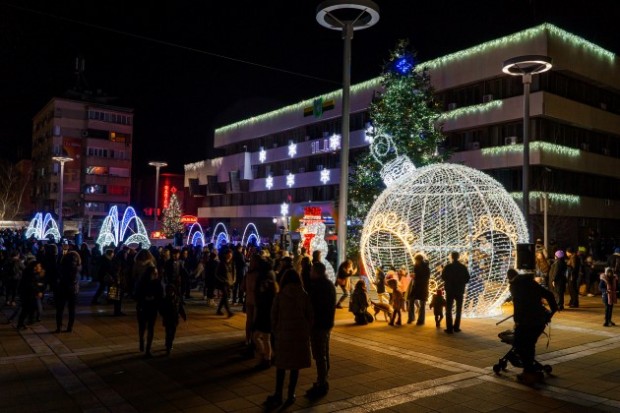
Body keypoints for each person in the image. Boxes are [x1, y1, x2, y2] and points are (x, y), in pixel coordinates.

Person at [265, 269, 312, 408]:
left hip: (283, 335)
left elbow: (273, 315)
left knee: (281, 365)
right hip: (299, 336)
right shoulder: (304, 295)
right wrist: (306, 330)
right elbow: (310, 316)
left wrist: (276, 330)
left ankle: (278, 394)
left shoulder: (280, 296)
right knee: (294, 367)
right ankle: (291, 394)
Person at [507, 268, 557, 385]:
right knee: (529, 346)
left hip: (526, 322)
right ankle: (529, 371)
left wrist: (518, 320)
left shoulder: (515, 286)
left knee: (519, 345)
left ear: (510, 278)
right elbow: (549, 294)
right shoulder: (530, 283)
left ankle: (530, 372)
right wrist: (552, 311)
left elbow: (520, 305)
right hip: (538, 321)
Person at [305, 261, 336, 398]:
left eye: (312, 271)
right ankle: (322, 379)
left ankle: (322, 382)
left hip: (319, 325)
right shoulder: (328, 284)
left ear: (317, 272)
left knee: (319, 355)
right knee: (324, 352)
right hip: (326, 324)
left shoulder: (318, 287)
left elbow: (314, 307)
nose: (310, 273)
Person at [135, 266, 164, 358]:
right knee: (142, 327)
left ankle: (148, 349)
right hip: (142, 307)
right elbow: (136, 294)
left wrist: (155, 299)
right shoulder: (142, 282)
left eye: (156, 273)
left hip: (152, 307)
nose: (156, 275)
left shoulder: (158, 283)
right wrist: (144, 298)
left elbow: (161, 295)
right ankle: (141, 340)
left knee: (151, 327)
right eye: (154, 273)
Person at [253, 258, 277, 370]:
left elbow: (261, 296)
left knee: (262, 337)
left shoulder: (265, 280)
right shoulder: (271, 276)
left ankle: (266, 357)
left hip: (265, 313)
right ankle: (267, 356)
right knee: (263, 336)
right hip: (267, 313)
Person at [441, 251, 470, 334]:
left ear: (451, 257)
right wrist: (461, 283)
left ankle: (449, 328)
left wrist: (449, 281)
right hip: (459, 290)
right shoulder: (463, 267)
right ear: (458, 257)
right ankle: (456, 327)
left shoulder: (448, 267)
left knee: (448, 309)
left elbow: (443, 277)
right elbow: (467, 278)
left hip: (450, 290)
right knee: (458, 309)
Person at [55, 250, 81, 333]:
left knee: (60, 309)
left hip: (62, 288)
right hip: (73, 290)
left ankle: (59, 327)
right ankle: (69, 327)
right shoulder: (77, 267)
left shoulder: (62, 266)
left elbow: (58, 276)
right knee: (72, 309)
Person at [160, 284, 187, 355]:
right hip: (167, 318)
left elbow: (180, 308)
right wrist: (163, 314)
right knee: (168, 332)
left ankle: (170, 343)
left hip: (175, 319)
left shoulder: (177, 299)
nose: (170, 292)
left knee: (173, 332)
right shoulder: (165, 299)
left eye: (172, 290)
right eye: (169, 291)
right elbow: (161, 309)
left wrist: (184, 315)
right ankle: (168, 345)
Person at [410, 253, 431, 325]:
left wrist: (415, 277)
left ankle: (415, 318)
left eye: (416, 260)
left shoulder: (422, 267)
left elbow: (424, 278)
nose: (415, 262)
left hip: (420, 287)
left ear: (418, 260)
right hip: (421, 287)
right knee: (420, 303)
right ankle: (419, 320)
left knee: (416, 302)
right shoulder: (419, 267)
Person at [215, 248, 236, 317]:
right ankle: (229, 312)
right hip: (223, 283)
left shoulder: (232, 263)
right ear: (226, 255)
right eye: (228, 254)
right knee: (226, 296)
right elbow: (217, 274)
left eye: (231, 254)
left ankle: (218, 310)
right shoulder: (221, 263)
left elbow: (234, 272)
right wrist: (223, 280)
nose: (230, 255)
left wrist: (233, 280)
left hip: (229, 282)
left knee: (224, 296)